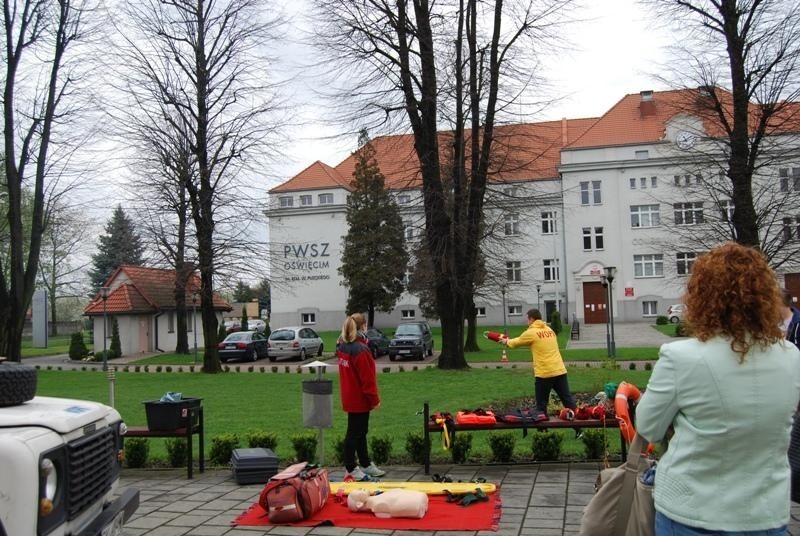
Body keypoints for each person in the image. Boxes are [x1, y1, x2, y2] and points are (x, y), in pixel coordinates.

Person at [635, 242, 800, 535]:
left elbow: (648, 426)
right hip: (765, 512)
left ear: (702, 297)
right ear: (765, 297)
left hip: (694, 510)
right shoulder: (791, 355)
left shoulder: (681, 357)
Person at [502, 308, 577, 420]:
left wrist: (506, 341)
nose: (527, 322)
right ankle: (579, 429)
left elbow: (516, 342)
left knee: (541, 407)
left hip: (544, 373)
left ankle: (543, 433)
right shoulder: (549, 330)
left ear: (531, 319)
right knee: (568, 401)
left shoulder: (532, 332)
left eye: (527, 319)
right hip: (560, 370)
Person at [336, 313, 385, 480]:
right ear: (362, 326)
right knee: (354, 433)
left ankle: (365, 463)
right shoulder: (361, 350)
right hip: (359, 399)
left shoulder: (344, 346)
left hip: (350, 396)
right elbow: (367, 380)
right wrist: (375, 400)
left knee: (360, 432)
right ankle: (351, 467)